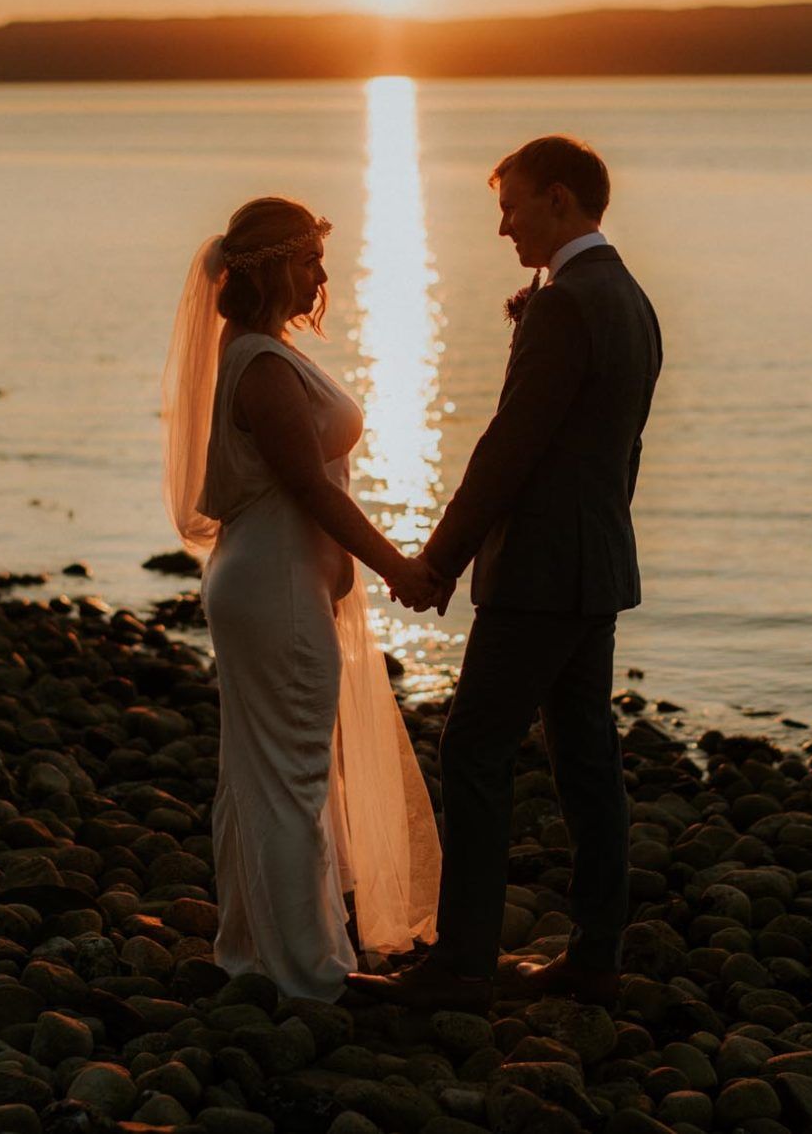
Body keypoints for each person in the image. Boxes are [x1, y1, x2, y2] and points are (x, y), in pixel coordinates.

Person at [348, 136, 662, 1011]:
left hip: (539, 572)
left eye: (512, 206)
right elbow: (616, 452)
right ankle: (598, 956)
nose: (501, 227)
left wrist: (438, 559)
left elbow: (509, 452)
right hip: (596, 563)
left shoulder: (567, 306)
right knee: (586, 760)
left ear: (560, 201)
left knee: (475, 748)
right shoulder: (630, 298)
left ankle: (464, 964)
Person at [160, 196, 442, 1001]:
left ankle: (253, 952)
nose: (323, 272)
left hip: (270, 579)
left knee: (260, 775)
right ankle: (312, 973)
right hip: (275, 587)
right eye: (311, 257)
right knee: (293, 777)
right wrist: (400, 565)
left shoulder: (261, 350)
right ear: (278, 264)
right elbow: (312, 490)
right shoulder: (261, 366)